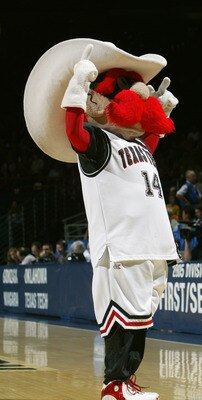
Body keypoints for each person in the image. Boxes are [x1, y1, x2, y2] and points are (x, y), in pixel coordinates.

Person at [24, 38, 181, 400]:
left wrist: (161, 111)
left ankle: (125, 382)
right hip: (122, 244)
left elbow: (150, 141)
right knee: (123, 317)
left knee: (140, 316)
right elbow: (73, 132)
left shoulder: (136, 144)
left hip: (153, 242)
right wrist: (79, 85)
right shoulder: (97, 143)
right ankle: (114, 385)